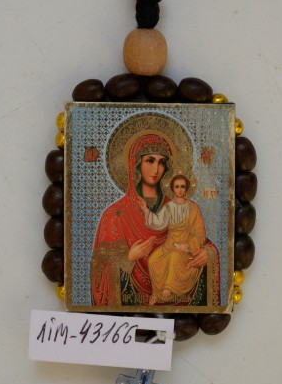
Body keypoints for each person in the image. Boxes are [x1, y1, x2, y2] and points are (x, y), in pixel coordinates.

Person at [90, 132, 213, 307]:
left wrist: (207, 254)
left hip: (180, 294)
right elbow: (99, 273)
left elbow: (199, 237)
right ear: (136, 164)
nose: (156, 170)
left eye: (162, 162)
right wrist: (128, 258)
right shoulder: (114, 214)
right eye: (150, 160)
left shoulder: (182, 207)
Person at [137, 174, 207, 305]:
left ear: (186, 188)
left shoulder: (193, 208)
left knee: (174, 256)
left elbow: (200, 233)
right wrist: (146, 210)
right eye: (177, 186)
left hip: (185, 248)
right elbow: (158, 223)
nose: (180, 190)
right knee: (152, 260)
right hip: (168, 245)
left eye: (182, 187)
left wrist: (188, 246)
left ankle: (168, 289)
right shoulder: (168, 207)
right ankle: (156, 292)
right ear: (173, 188)